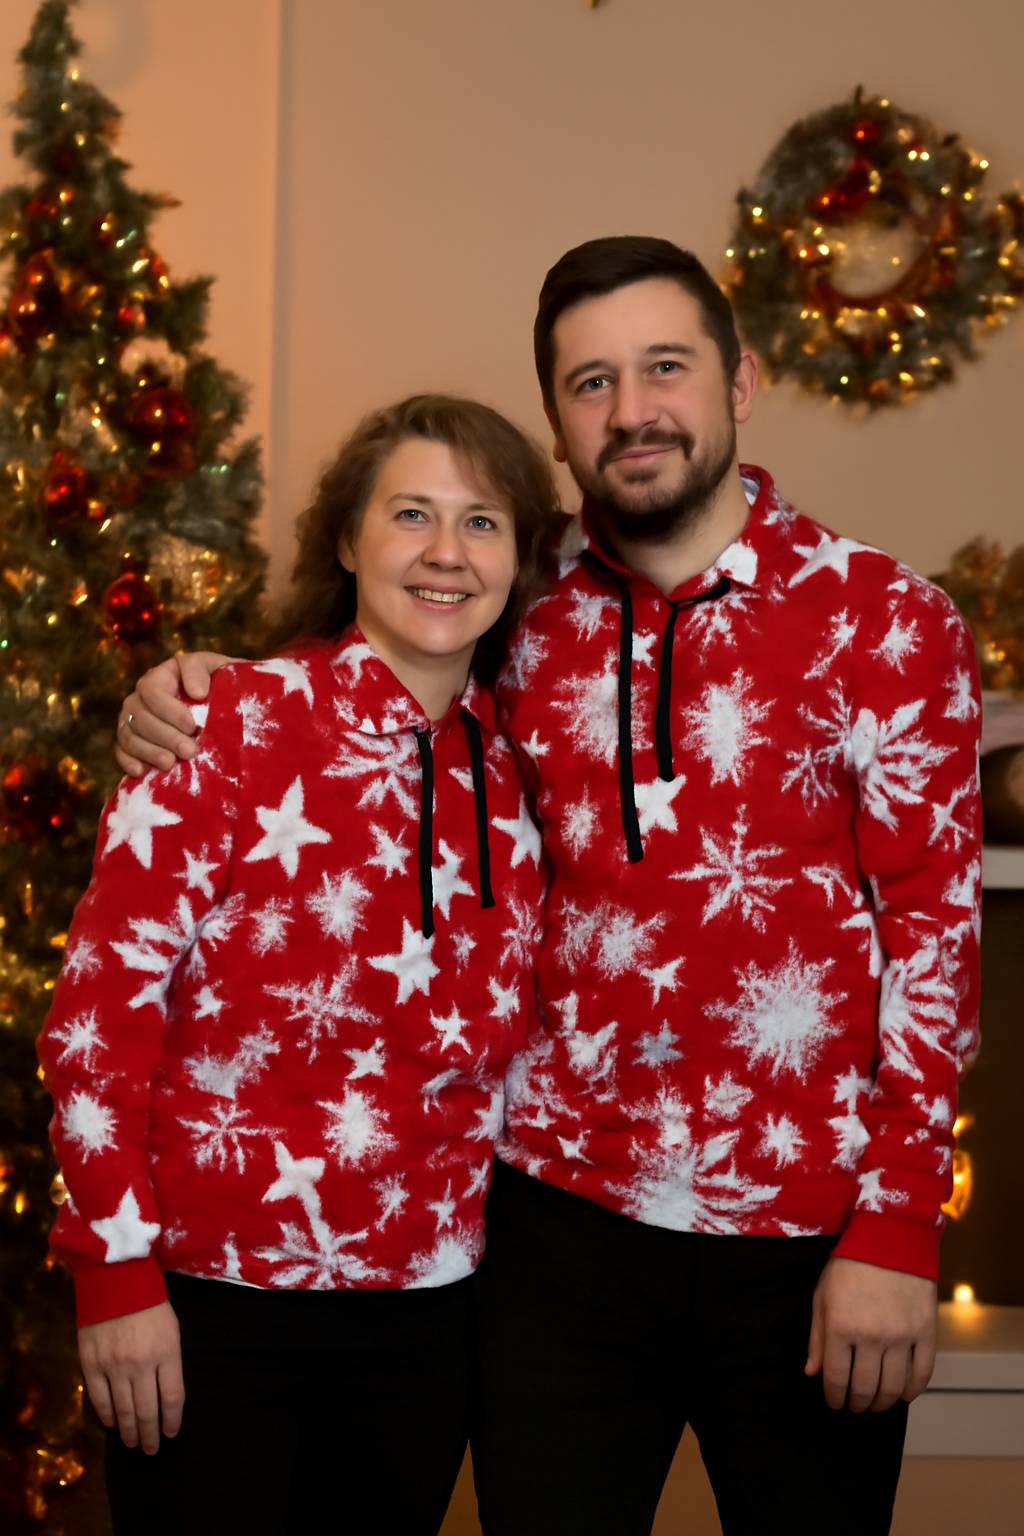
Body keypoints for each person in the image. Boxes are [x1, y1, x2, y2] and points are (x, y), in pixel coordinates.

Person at [116, 238, 982, 1536]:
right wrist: (201, 693)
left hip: (810, 1245)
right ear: (559, 425)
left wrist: (900, 1226)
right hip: (554, 1232)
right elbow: (387, 666)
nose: (631, 409)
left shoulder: (888, 621)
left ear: (739, 383)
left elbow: (934, 928)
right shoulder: (530, 606)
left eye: (665, 367)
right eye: (591, 382)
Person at [39, 394, 562, 1536]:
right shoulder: (224, 726)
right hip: (212, 1309)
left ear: (518, 559)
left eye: (481, 522)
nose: (443, 552)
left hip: (426, 1322)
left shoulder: (524, 777)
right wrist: (115, 1275)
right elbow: (96, 1017)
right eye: (411, 513)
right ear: (346, 538)